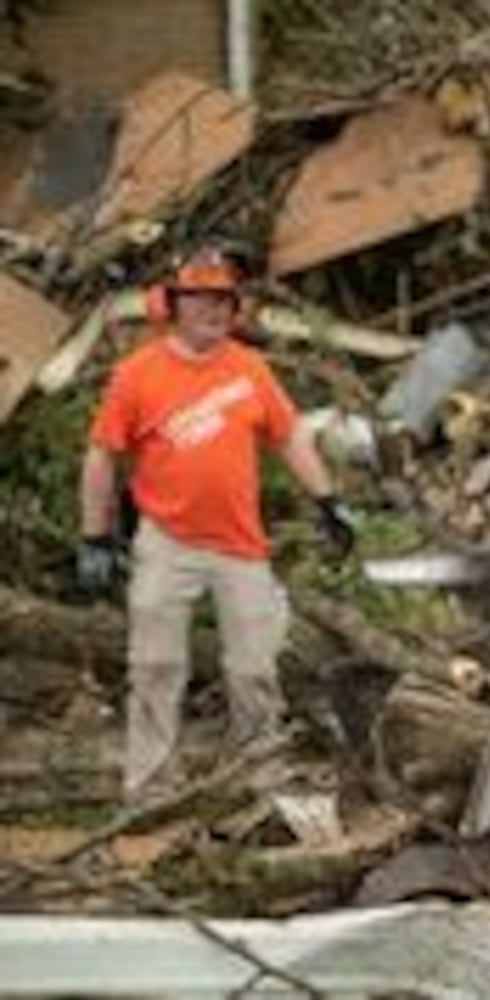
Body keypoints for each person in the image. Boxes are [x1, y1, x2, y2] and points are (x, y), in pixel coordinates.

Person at [77, 246, 355, 802]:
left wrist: (328, 500)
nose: (213, 310)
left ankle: (259, 776)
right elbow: (102, 456)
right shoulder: (137, 374)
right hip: (166, 540)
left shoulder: (250, 369)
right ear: (174, 305)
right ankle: (150, 784)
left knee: (254, 669)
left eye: (222, 300)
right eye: (200, 299)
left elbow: (290, 436)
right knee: (155, 664)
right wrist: (95, 535)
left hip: (241, 544)